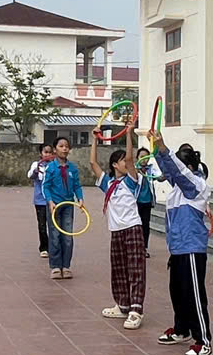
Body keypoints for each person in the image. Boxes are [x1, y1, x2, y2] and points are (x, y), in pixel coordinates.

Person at [148, 126, 213, 355]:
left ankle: (203, 341)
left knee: (195, 295)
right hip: (177, 248)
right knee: (178, 292)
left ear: (191, 167)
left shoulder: (196, 185)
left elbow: (177, 170)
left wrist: (163, 147)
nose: (173, 173)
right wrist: (157, 149)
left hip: (192, 248)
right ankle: (181, 329)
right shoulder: (177, 188)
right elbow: (170, 169)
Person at [89, 131, 146, 329]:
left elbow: (130, 159)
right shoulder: (108, 183)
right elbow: (93, 163)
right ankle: (123, 305)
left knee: (136, 269)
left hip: (133, 228)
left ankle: (136, 309)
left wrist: (129, 134)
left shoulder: (131, 181)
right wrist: (94, 140)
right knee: (119, 269)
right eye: (121, 161)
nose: (127, 163)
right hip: (116, 230)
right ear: (114, 165)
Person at [42, 135, 84, 280]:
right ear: (55, 150)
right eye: (61, 146)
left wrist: (80, 198)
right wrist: (50, 201)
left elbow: (77, 185)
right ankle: (55, 266)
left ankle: (66, 266)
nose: (64, 149)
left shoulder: (72, 168)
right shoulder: (51, 168)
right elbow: (45, 187)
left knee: (67, 236)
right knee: (54, 235)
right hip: (54, 206)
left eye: (66, 146)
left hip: (68, 205)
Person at [27, 144, 54, 258]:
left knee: (54, 225)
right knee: (42, 225)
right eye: (45, 152)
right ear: (41, 154)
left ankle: (54, 247)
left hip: (53, 200)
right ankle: (44, 248)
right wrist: (36, 171)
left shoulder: (55, 165)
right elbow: (30, 175)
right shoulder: (36, 164)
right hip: (40, 201)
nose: (48, 154)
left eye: (50, 152)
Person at [136, 146, 160, 258]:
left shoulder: (150, 170)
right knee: (136, 225)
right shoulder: (133, 170)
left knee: (145, 225)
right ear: (137, 158)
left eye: (146, 157)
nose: (144, 159)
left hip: (147, 202)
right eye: (142, 157)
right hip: (136, 202)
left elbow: (159, 177)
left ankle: (144, 248)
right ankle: (135, 247)